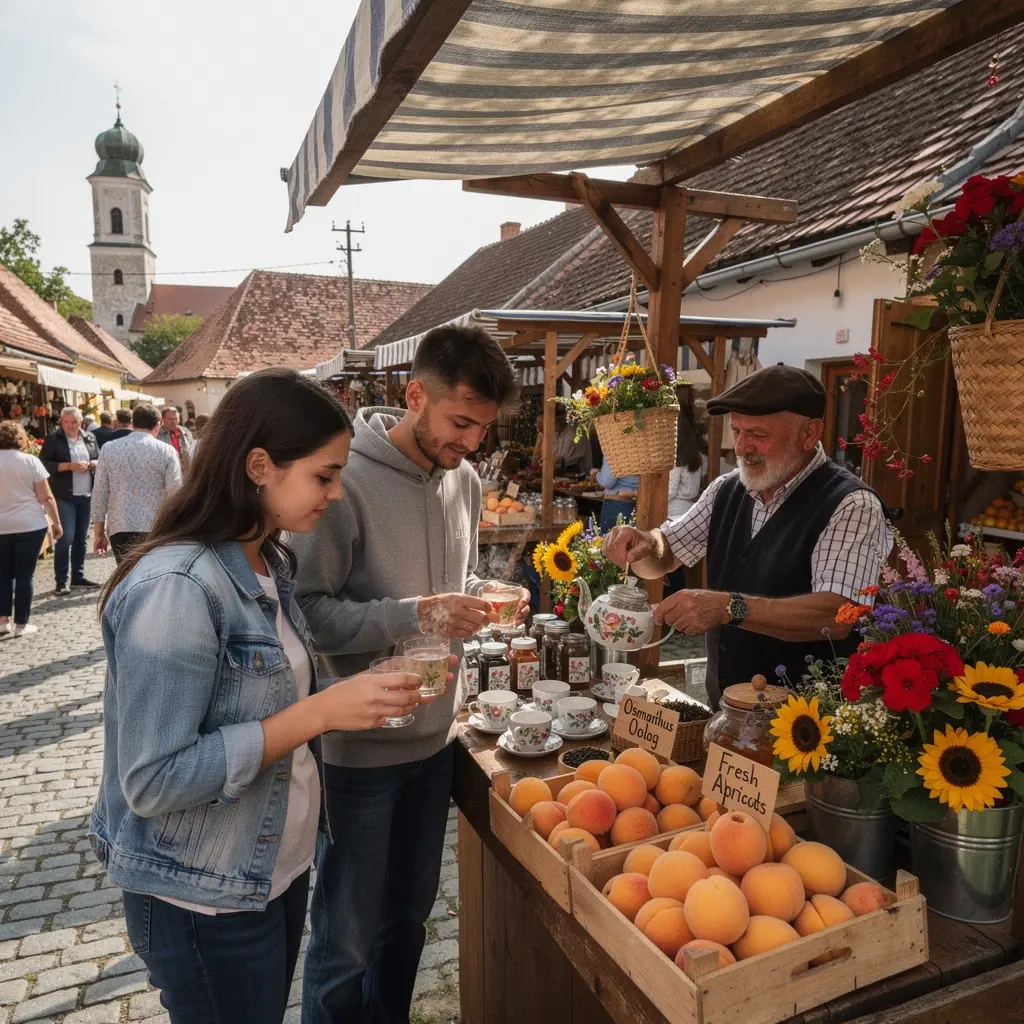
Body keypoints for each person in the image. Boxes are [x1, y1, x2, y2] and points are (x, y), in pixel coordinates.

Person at [90, 369, 442, 1024]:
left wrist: (354, 692)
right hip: (201, 895)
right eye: (323, 475)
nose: (336, 494)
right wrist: (319, 712)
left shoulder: (267, 561)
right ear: (259, 465)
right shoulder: (178, 586)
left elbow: (264, 698)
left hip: (265, 875)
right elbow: (154, 779)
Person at [293, 323, 525, 1024]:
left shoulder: (467, 479)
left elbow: (450, 579)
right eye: (460, 423)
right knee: (346, 941)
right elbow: (307, 614)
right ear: (415, 395)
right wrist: (415, 612)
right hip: (356, 751)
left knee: (407, 928)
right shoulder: (344, 482)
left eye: (483, 429)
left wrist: (480, 594)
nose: (471, 443)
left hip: (435, 743)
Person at [603, 365, 892, 708]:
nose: (741, 447)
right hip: (727, 712)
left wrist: (729, 607)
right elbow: (663, 557)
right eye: (737, 431)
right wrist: (646, 543)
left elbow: (839, 614)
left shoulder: (851, 503)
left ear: (809, 433)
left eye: (757, 434)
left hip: (809, 726)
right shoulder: (727, 489)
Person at [91, 403, 182, 564]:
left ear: (132, 424)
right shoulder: (167, 451)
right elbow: (175, 493)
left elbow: (100, 492)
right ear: (157, 425)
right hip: (155, 526)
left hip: (120, 524)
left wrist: (98, 533)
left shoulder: (109, 449)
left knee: (126, 577)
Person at [0, 421, 63, 639]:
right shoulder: (30, 461)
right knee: (25, 575)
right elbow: (46, 496)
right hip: (29, 524)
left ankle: (2, 621)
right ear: (21, 438)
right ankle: (21, 624)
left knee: (3, 575)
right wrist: (57, 522)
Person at [40, 407, 100, 595]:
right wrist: (69, 466)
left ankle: (78, 577)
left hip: (86, 494)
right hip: (65, 496)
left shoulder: (89, 438)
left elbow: (99, 459)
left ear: (80, 422)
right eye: (66, 422)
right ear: (61, 423)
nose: (70, 426)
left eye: (73, 422)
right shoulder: (53, 439)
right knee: (66, 538)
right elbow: (43, 465)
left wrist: (93, 464)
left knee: (82, 539)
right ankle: (61, 581)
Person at [594, 457, 638, 532]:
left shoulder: (614, 447)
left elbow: (607, 481)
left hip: (616, 504)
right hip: (637, 504)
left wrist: (596, 474)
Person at [553, 407, 592, 474]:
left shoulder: (572, 433)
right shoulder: (558, 432)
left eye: (554, 423)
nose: (552, 426)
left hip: (579, 472)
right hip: (564, 470)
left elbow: (565, 459)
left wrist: (556, 460)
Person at [157, 406, 194, 473]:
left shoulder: (185, 432)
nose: (174, 422)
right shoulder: (157, 434)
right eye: (170, 419)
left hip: (185, 473)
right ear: (162, 419)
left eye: (176, 419)